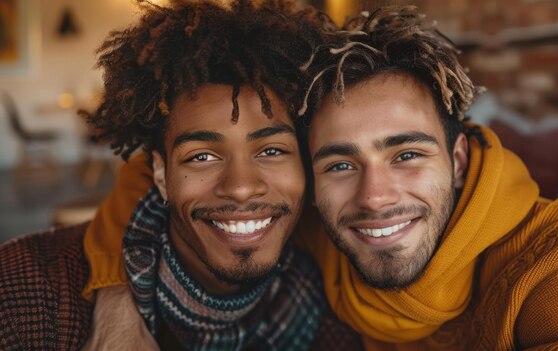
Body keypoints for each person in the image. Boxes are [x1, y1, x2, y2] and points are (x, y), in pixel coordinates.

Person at [79, 5, 558, 351]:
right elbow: (157, 175)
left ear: (458, 159)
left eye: (406, 154)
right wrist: (116, 302)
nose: (375, 197)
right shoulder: (316, 229)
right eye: (339, 164)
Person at [0, 1, 362, 350]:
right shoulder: (27, 293)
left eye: (271, 151)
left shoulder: (327, 313)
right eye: (202, 156)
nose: (240, 187)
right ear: (159, 174)